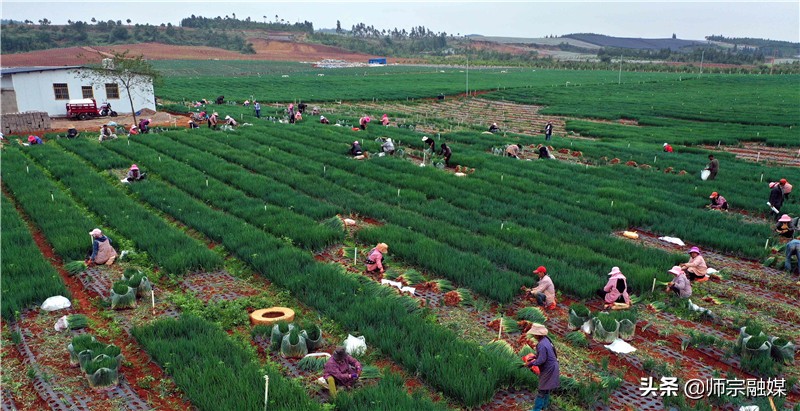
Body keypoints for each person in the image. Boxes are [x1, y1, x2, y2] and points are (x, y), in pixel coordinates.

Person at [525, 323, 560, 411]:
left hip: (549, 369)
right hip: (553, 366)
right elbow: (545, 354)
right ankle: (544, 407)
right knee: (546, 389)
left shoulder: (541, 344)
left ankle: (537, 409)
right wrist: (535, 356)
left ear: (537, 334)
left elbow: (541, 360)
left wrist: (530, 364)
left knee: (542, 389)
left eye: (534, 334)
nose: (533, 335)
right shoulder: (546, 340)